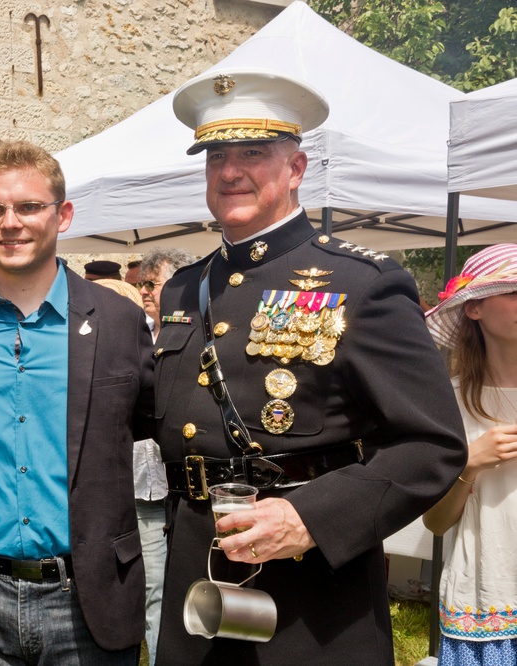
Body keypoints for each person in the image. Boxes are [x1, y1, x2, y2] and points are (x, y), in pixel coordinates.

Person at [152, 68, 467, 664]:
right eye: (216, 154)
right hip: (197, 575)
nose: (231, 170)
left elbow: (432, 443)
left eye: (253, 152)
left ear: (295, 169)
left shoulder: (362, 284)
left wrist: (309, 518)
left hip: (313, 596)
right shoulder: (185, 289)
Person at [0, 140, 154, 665]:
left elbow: (143, 423)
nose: (10, 223)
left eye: (28, 207)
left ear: (63, 214)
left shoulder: (118, 322)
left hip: (87, 596)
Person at [423, 244, 517, 665]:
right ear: (474, 309)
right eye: (513, 292)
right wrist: (470, 464)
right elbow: (436, 522)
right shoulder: (449, 401)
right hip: (485, 595)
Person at [131, 247, 195, 665]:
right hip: (139, 487)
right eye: (142, 284)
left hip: (181, 493)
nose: (144, 292)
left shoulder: (193, 336)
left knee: (170, 593)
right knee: (152, 590)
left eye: (151, 284)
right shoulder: (137, 334)